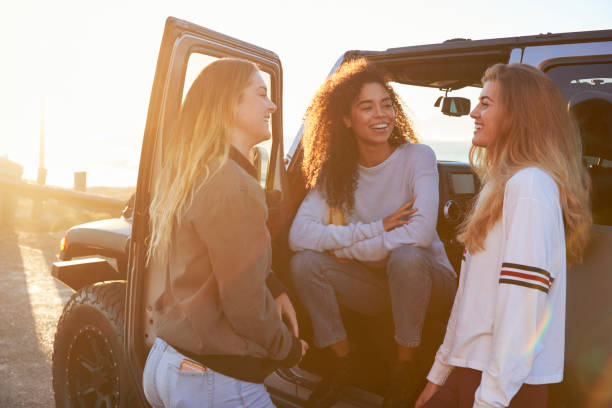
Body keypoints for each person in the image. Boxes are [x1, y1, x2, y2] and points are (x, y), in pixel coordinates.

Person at [415, 63, 592, 408]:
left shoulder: (529, 188)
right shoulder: (504, 186)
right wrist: (439, 374)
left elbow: (521, 315)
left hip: (504, 388)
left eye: (486, 103)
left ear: (517, 116)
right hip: (473, 372)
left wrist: (489, 401)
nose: (474, 113)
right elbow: (468, 301)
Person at [289, 58, 457, 408]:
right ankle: (343, 360)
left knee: (407, 256)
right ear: (347, 120)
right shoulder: (336, 174)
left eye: (386, 104)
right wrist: (374, 229)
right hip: (379, 288)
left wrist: (351, 249)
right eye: (367, 107)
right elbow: (298, 236)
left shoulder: (417, 157)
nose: (381, 115)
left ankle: (404, 369)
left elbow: (421, 233)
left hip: (431, 283)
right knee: (305, 264)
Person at [142, 58, 308, 408]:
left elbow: (213, 259)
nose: (272, 105)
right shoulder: (234, 185)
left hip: (166, 361)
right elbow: (244, 304)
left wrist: (273, 286)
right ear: (229, 104)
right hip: (214, 381)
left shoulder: (193, 171)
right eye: (262, 94)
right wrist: (288, 348)